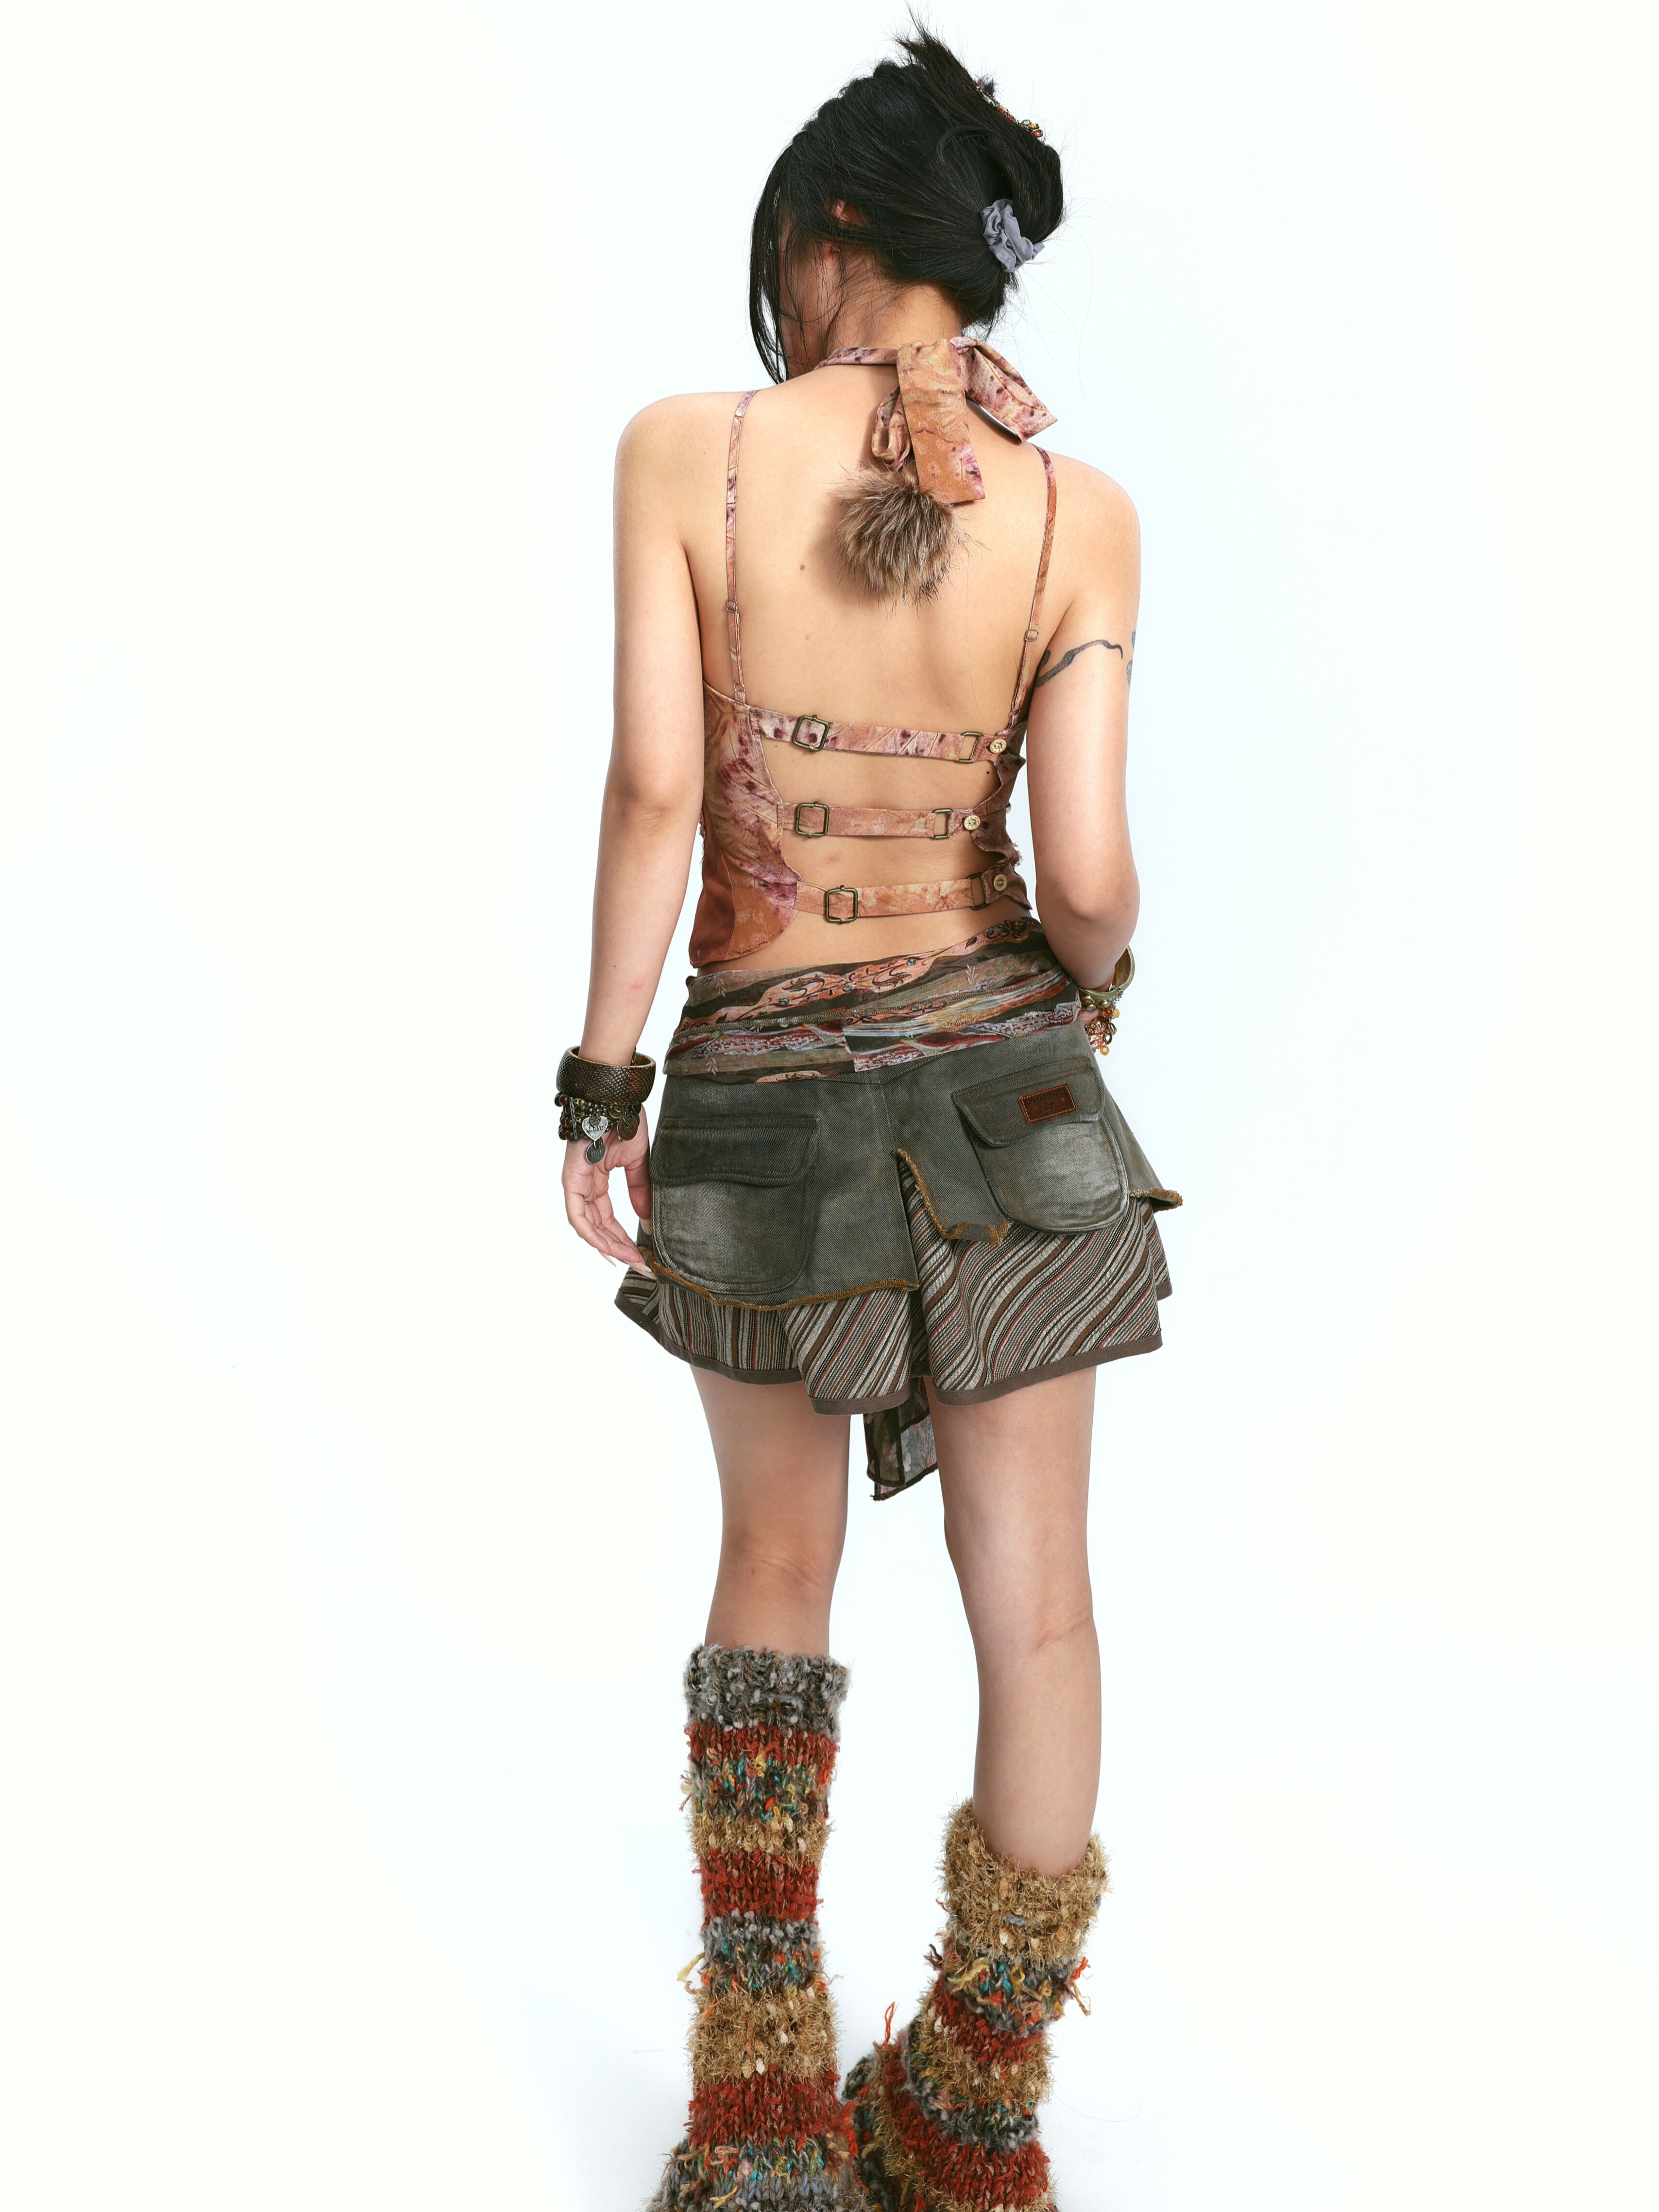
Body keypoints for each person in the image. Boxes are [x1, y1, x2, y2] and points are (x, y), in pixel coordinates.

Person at [559, 30, 1179, 2210]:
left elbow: (659, 788)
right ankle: (973, 2119)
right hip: (1020, 1101)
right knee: (1040, 1604)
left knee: (774, 1563)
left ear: (830, 235)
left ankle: (762, 2124)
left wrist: (601, 1078)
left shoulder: (685, 454)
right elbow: (1089, 877)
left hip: (761, 1098)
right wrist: (1077, 993)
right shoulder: (1079, 513)